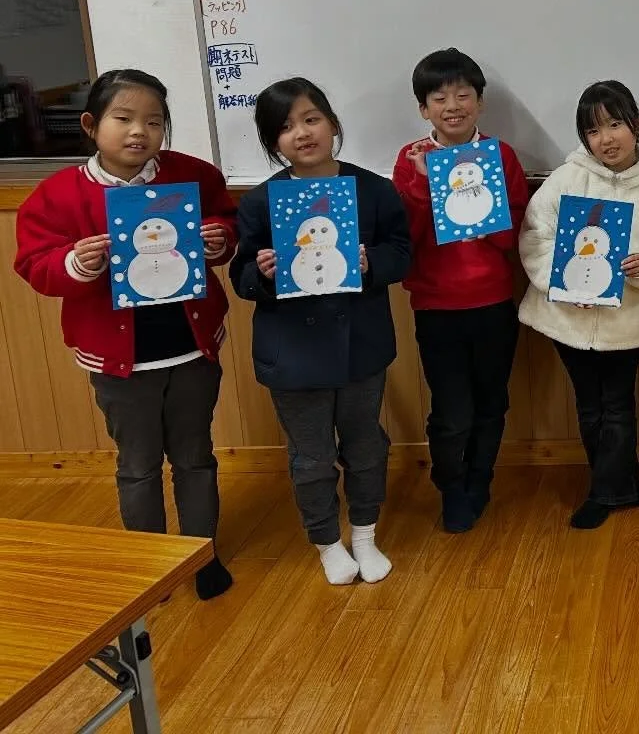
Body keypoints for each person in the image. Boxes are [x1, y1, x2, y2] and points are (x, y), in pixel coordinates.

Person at [13, 69, 235, 598]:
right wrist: (75, 263)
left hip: (191, 348)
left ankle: (202, 555)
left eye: (154, 122)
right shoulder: (58, 195)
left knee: (195, 456)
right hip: (119, 360)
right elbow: (34, 264)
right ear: (91, 125)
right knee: (138, 465)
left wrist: (219, 240)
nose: (140, 131)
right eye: (124, 119)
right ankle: (149, 567)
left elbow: (228, 224)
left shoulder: (192, 176)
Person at [231, 77, 411, 584]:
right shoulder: (261, 202)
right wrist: (263, 273)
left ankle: (365, 535)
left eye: (311, 119)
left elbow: (402, 253)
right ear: (273, 142)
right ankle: (327, 543)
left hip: (361, 348)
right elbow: (241, 277)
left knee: (366, 445)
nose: (302, 133)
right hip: (293, 354)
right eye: (286, 127)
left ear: (332, 123)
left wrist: (371, 262)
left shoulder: (373, 190)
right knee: (311, 457)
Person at [518, 80, 639, 529]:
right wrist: (563, 283)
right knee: (591, 404)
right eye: (593, 131)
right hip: (566, 319)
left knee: (618, 403)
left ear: (637, 124)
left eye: (615, 125)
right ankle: (618, 485)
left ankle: (609, 490)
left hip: (625, 321)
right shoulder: (566, 179)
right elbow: (535, 237)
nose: (606, 139)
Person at [392, 48, 530, 532]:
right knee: (452, 412)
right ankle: (451, 486)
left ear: (480, 102)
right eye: (439, 97)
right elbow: (405, 238)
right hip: (437, 307)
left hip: (493, 302)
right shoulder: (410, 160)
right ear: (423, 108)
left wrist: (478, 209)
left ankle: (479, 480)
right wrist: (423, 186)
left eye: (463, 95)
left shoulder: (500, 156)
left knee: (492, 402)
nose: (453, 106)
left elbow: (513, 236)